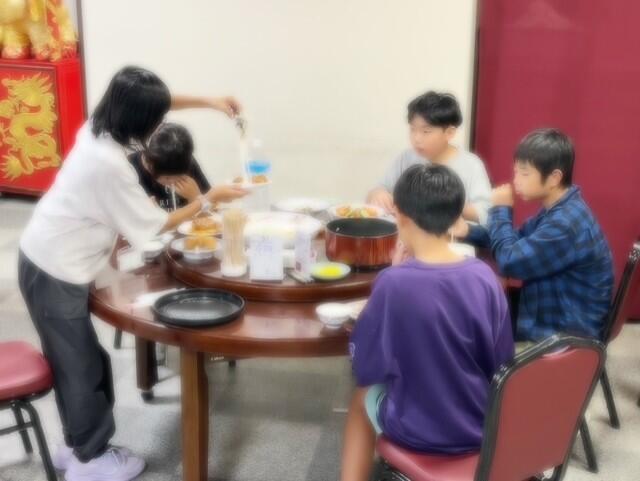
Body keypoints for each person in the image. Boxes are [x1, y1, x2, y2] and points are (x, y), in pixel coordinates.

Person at [18, 66, 247, 481]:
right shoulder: (110, 165)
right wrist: (207, 199)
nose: (159, 125)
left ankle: (77, 445)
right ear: (138, 119)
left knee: (81, 360)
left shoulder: (99, 127)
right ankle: (89, 460)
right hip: (54, 269)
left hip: (49, 258)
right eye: (155, 119)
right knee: (80, 366)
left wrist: (211, 103)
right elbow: (155, 226)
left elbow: (159, 104)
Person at [342, 164, 514, 481]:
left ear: (401, 216)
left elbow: (366, 366)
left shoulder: (393, 283)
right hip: (481, 425)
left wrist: (392, 274)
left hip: (418, 431)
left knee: (360, 399)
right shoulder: (485, 276)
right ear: (456, 219)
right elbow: (502, 360)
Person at [455, 128, 614, 343]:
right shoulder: (560, 208)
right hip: (549, 311)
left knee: (468, 325)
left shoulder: (565, 224)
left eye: (525, 173)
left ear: (554, 177)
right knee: (473, 308)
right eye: (516, 172)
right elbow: (517, 240)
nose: (516, 181)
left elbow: (509, 261)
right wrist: (467, 230)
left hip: (562, 335)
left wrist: (501, 209)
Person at [367, 91, 492, 225]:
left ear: (449, 133)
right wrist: (378, 193)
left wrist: (445, 206)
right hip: (407, 233)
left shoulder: (471, 165)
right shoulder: (407, 157)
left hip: (450, 236)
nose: (416, 138)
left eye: (426, 131)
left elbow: (486, 213)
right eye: (412, 129)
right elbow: (380, 188)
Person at [129, 122, 211, 210]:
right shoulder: (129, 167)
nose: (172, 182)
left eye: (179, 176)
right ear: (151, 164)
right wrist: (144, 213)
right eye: (167, 178)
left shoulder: (183, 161)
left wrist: (196, 197)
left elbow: (214, 208)